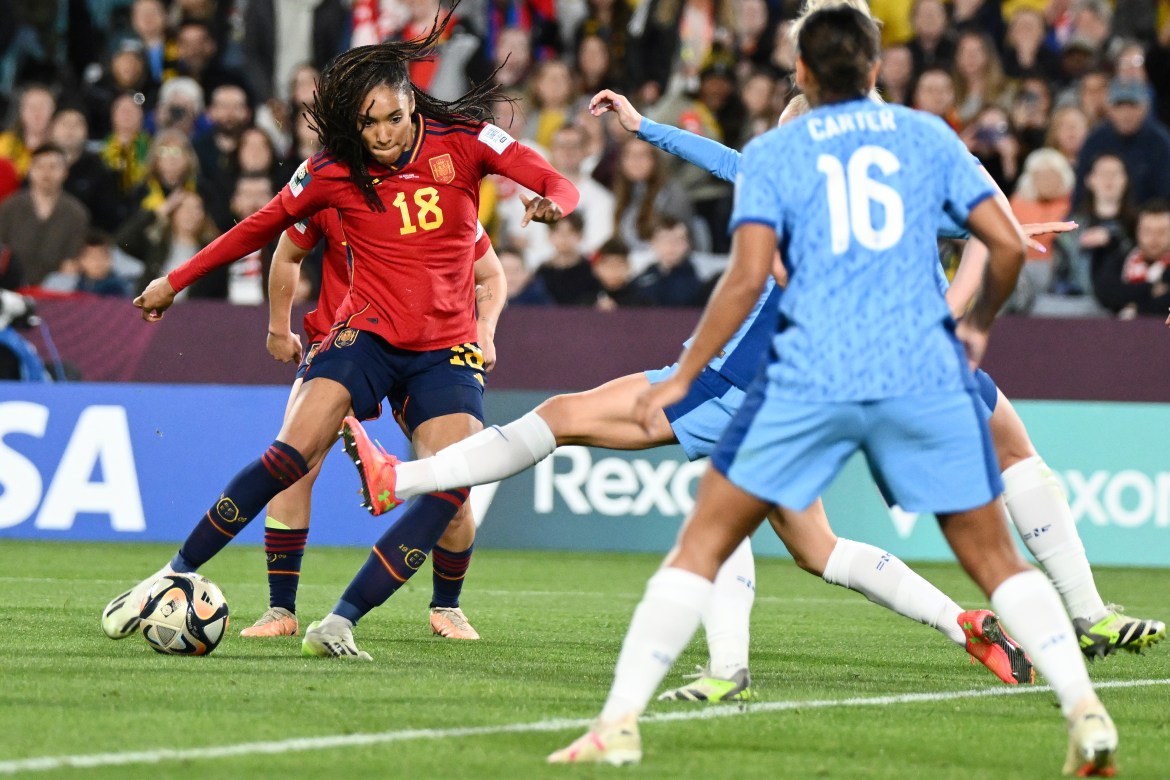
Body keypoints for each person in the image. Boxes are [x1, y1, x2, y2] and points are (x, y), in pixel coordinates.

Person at [545, 8, 1118, 773]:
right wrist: (975, 325)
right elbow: (1007, 242)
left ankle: (619, 722)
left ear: (804, 76)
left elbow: (747, 276)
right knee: (994, 557)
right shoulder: (927, 138)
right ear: (878, 69)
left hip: (817, 369)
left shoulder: (782, 154)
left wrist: (687, 375)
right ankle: (1085, 712)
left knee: (705, 539)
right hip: (916, 366)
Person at [99, 16, 579, 660]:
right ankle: (175, 572)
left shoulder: (465, 142)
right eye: (368, 122)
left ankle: (344, 618)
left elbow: (551, 177)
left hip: (446, 350)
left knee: (451, 488)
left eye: (393, 118)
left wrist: (554, 202)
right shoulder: (329, 170)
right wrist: (176, 280)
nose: (382, 134)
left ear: (414, 103)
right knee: (290, 457)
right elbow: (258, 230)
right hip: (367, 338)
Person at [241, 211, 504, 639]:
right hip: (344, 341)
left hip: (430, 349)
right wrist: (277, 327)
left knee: (453, 478)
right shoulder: (333, 182)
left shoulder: (443, 187)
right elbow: (287, 254)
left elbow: (490, 272)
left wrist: (486, 329)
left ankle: (447, 606)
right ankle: (280, 609)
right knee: (293, 467)